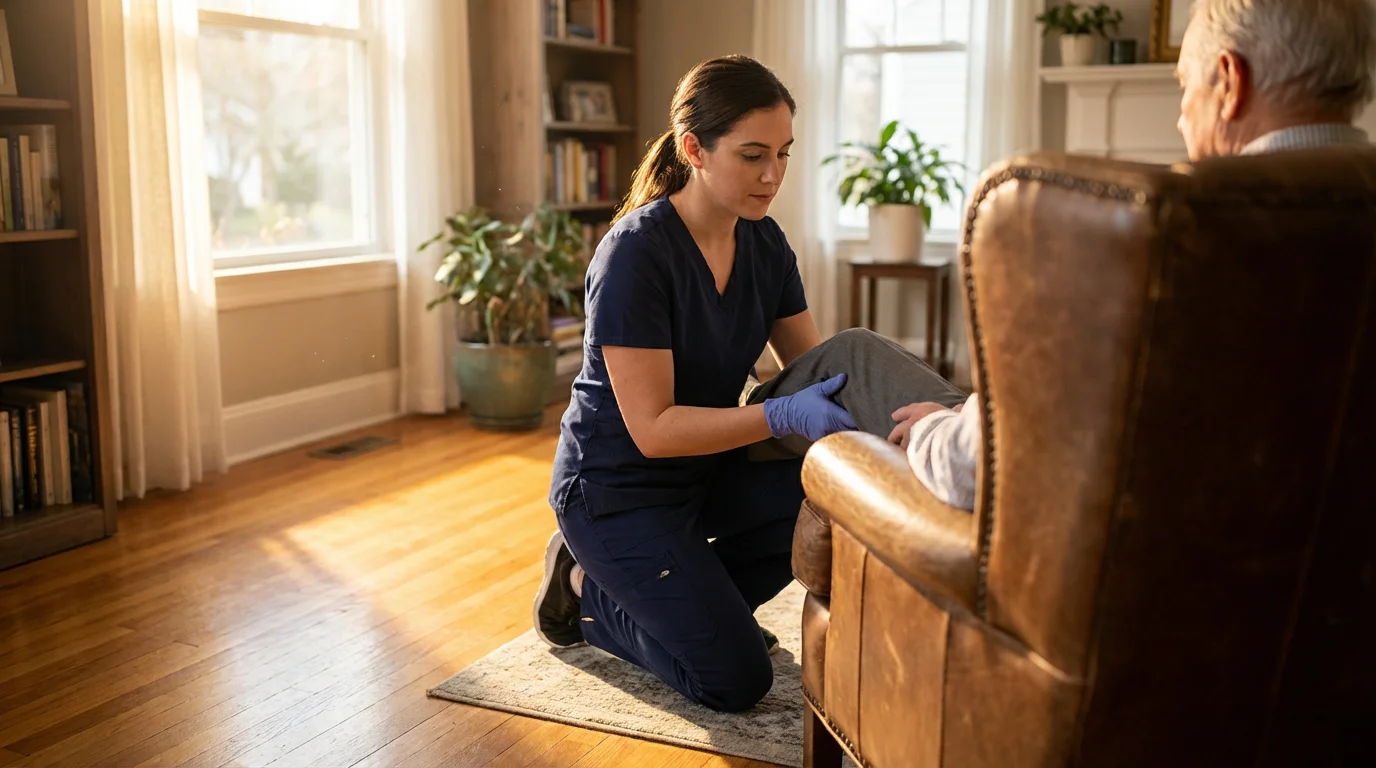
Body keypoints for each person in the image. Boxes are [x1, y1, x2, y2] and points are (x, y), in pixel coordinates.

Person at [533, 55, 966, 713]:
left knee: (833, 447)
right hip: (618, 491)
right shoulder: (635, 255)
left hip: (706, 472)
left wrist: (882, 425)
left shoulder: (765, 244)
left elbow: (822, 371)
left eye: (785, 154)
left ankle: (973, 435)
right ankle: (589, 594)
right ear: (693, 149)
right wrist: (779, 415)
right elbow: (652, 431)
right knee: (735, 679)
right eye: (753, 154)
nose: (773, 175)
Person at [893, 0, 1376, 511]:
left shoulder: (1154, 239)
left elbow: (977, 469)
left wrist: (930, 429)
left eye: (1185, 86)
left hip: (1163, 585)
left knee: (870, 382)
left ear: (1230, 82)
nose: (1181, 121)